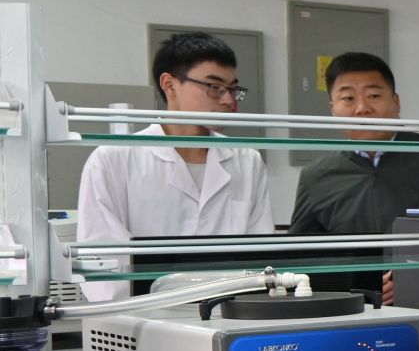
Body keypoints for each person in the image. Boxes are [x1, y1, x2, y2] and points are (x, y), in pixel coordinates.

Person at [76, 31, 272, 301]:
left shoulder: (247, 161)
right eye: (214, 87)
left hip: (229, 312)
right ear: (169, 84)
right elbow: (102, 265)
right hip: (142, 316)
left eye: (232, 89)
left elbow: (261, 259)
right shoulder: (113, 159)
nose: (228, 100)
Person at [289, 52, 419, 304]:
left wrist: (413, 277)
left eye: (374, 95)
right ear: (333, 109)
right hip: (349, 308)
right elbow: (300, 257)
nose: (362, 108)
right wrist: (355, 285)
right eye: (348, 98)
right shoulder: (316, 175)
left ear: (396, 102)